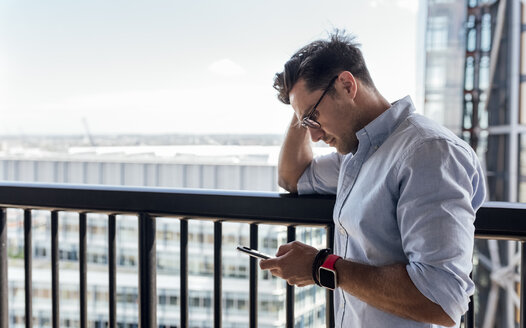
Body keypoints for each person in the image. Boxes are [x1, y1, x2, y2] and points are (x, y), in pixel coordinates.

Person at [259, 30, 486, 328]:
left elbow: (441, 300)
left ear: (346, 84)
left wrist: (321, 266)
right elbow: (292, 177)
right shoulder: (353, 156)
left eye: (314, 118)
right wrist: (302, 107)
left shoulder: (427, 152)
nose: (312, 135)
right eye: (306, 124)